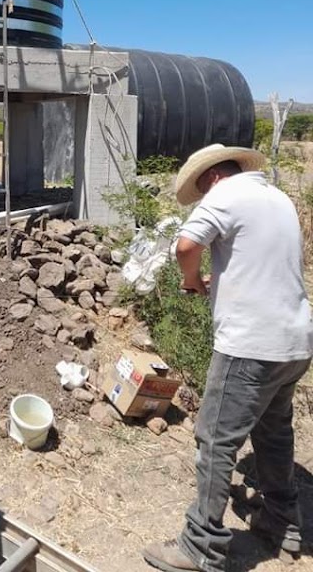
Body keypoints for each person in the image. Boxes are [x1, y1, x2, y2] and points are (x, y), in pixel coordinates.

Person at [144, 143, 313, 572]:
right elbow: (257, 265)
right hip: (294, 342)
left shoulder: (225, 194)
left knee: (216, 440)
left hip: (249, 345)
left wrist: (191, 280)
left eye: (202, 190)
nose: (203, 198)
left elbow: (185, 246)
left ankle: (199, 546)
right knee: (274, 433)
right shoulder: (276, 198)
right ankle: (282, 524)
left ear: (213, 177)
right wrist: (214, 278)